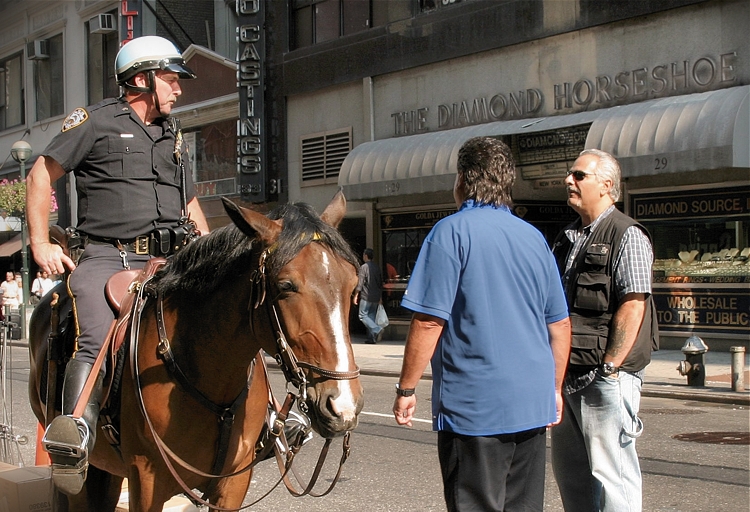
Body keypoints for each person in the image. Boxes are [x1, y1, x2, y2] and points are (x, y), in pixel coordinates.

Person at [25, 35, 209, 495]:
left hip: (171, 257)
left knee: (228, 313)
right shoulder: (96, 121)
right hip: (109, 255)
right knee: (96, 338)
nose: (179, 89)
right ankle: (73, 441)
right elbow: (39, 173)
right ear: (142, 79)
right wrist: (41, 241)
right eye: (170, 79)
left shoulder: (174, 133)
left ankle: (263, 422)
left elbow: (187, 201)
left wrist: (208, 250)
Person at [392, 136, 571, 512]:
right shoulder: (534, 238)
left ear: (462, 179)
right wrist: (553, 389)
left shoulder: (450, 233)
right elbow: (559, 325)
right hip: (530, 402)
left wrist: (406, 388)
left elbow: (427, 321)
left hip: (474, 408)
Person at [550, 149, 658, 512]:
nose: (570, 180)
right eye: (570, 174)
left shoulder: (627, 234)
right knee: (573, 479)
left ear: (607, 186)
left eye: (579, 175)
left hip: (606, 377)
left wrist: (611, 367)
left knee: (615, 479)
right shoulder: (568, 238)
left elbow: (634, 304)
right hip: (569, 373)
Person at [353, 248, 384, 344]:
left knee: (362, 315)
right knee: (371, 316)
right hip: (375, 296)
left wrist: (356, 295)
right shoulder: (376, 267)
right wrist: (380, 297)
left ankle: (377, 329)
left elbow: (360, 283)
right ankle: (372, 339)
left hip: (366, 296)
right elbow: (379, 283)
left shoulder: (364, 267)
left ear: (366, 255)